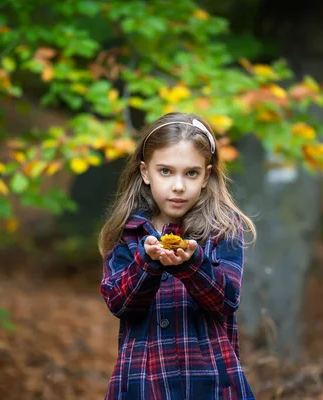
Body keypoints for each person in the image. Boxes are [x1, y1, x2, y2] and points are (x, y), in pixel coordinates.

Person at [98, 112, 257, 399]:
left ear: (206, 175)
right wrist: (147, 264)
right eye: (166, 171)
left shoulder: (222, 228)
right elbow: (119, 303)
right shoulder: (128, 233)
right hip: (144, 383)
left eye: (191, 173)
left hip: (210, 383)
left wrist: (192, 265)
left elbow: (226, 300)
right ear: (146, 172)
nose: (179, 186)